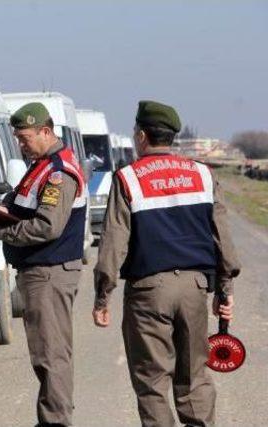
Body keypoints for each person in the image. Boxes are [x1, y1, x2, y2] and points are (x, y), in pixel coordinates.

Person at [92, 100, 241, 427]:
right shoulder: (203, 174)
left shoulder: (128, 178)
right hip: (194, 289)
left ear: (142, 136)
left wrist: (103, 295)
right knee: (195, 377)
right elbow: (222, 240)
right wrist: (224, 291)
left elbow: (113, 244)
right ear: (171, 137)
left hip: (148, 292)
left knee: (153, 382)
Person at [0, 102, 87, 427]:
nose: (21, 145)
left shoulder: (58, 171)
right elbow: (20, 202)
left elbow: (47, 226)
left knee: (51, 355)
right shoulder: (41, 166)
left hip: (49, 273)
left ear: (46, 131)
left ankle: (56, 421)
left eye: (25, 138)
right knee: (48, 354)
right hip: (40, 271)